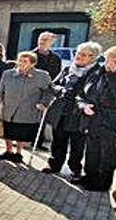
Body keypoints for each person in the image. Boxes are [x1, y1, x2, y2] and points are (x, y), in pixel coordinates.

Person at [43, 42, 103, 181]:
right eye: (78, 53)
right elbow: (54, 85)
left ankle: (75, 169)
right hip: (62, 111)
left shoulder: (97, 73)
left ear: (93, 57)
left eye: (83, 55)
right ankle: (54, 165)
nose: (78, 57)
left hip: (79, 114)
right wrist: (60, 90)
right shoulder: (68, 68)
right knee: (58, 140)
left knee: (77, 144)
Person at [76, 44, 116, 191]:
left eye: (110, 60)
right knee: (91, 151)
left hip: (111, 123)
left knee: (107, 154)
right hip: (92, 120)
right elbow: (82, 94)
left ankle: (103, 182)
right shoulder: (98, 72)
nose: (106, 63)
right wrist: (83, 106)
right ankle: (89, 177)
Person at [0, 51, 54, 162]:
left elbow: (49, 91)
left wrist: (43, 103)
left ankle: (18, 153)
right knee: (8, 131)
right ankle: (8, 151)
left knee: (21, 132)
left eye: (25, 61)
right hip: (8, 108)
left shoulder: (42, 76)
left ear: (32, 64)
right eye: (20, 60)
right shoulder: (8, 74)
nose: (21, 63)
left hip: (28, 109)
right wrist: (0, 103)